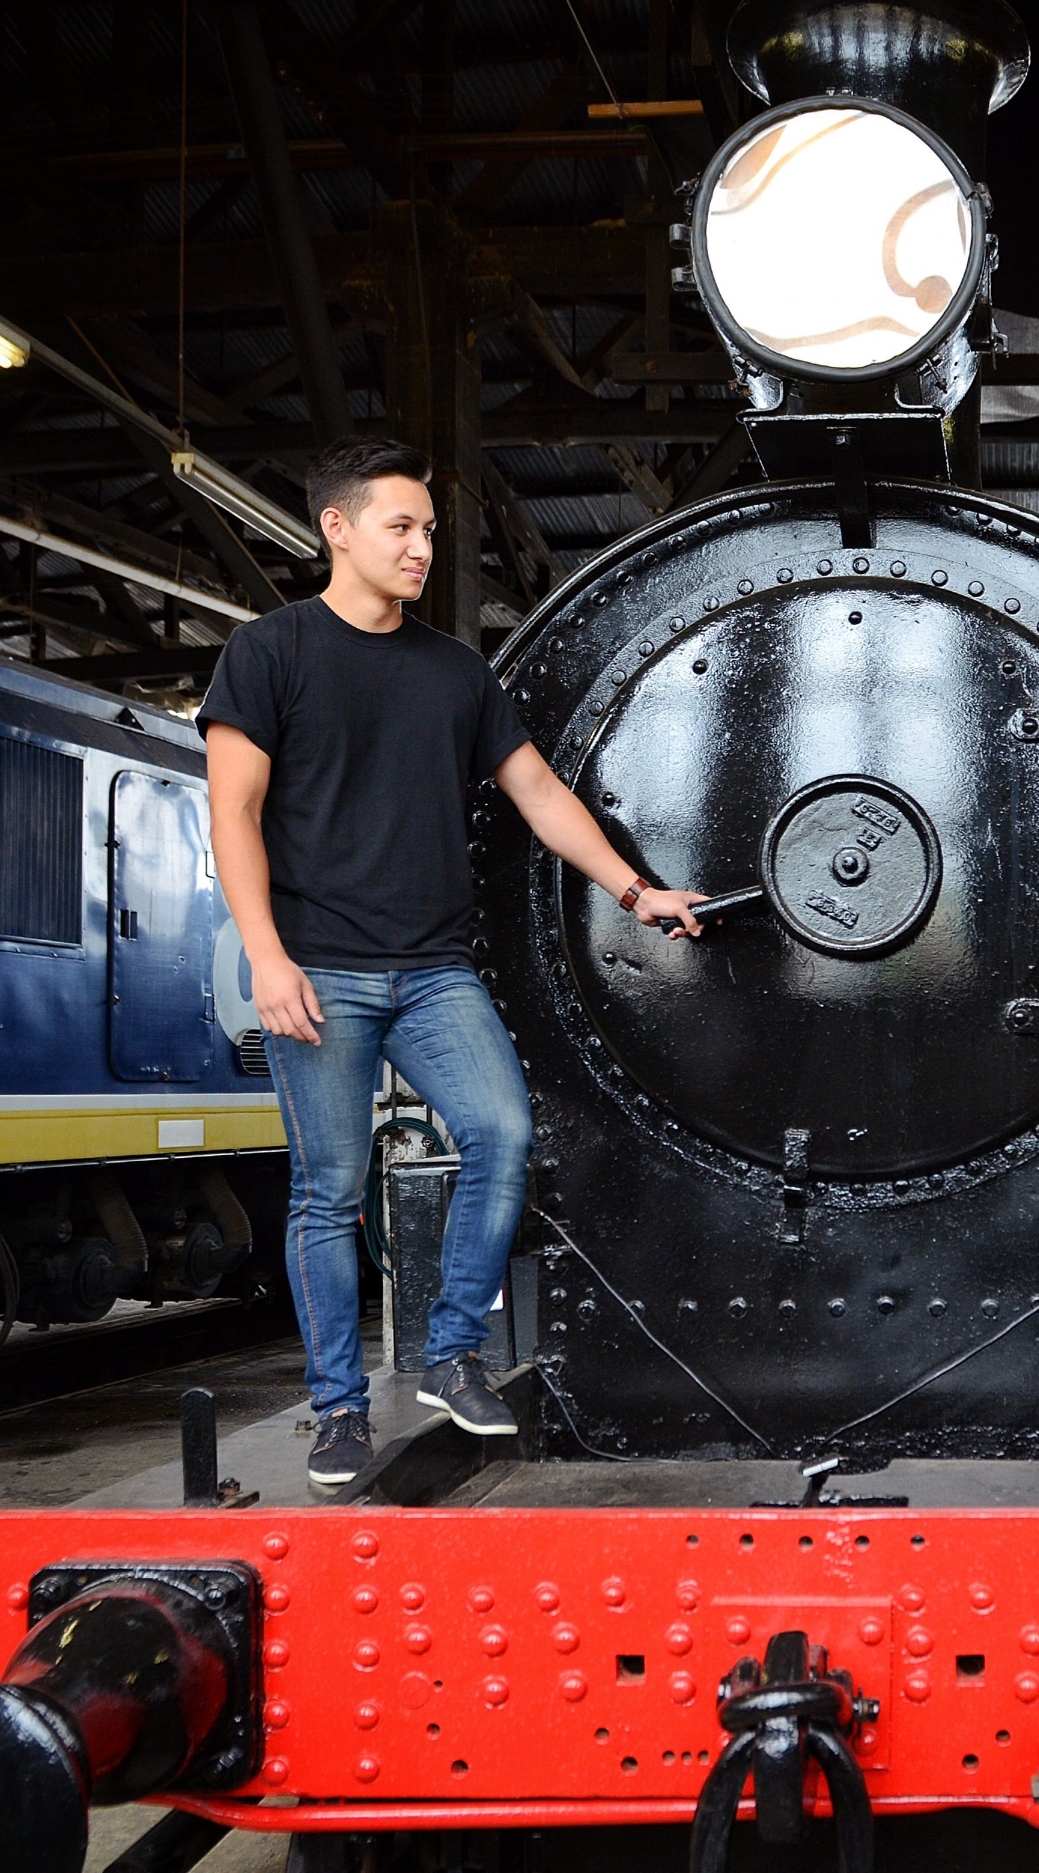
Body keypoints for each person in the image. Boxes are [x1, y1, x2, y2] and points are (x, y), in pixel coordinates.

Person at [202, 437, 706, 1487]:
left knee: (504, 1134)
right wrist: (265, 954)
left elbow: (540, 795)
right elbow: (232, 811)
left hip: (433, 969)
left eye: (428, 529)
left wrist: (634, 888)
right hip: (320, 967)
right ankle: (337, 1410)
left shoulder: (454, 671)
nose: (422, 546)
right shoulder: (269, 652)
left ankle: (450, 1355)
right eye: (400, 526)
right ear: (336, 527)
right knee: (328, 1191)